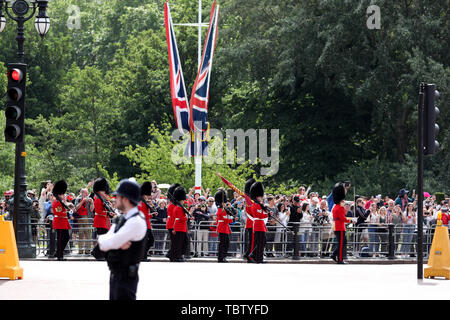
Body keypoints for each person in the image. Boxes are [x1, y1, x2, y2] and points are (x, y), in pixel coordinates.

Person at [97, 179, 147, 300]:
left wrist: (111, 242)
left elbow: (107, 243)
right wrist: (113, 242)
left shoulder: (135, 221)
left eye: (117, 196)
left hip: (126, 276)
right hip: (117, 272)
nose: (115, 199)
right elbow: (102, 241)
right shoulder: (122, 218)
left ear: (125, 198)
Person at [330, 182, 352, 264]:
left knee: (342, 242)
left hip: (336, 226)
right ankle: (339, 259)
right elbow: (343, 218)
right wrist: (351, 220)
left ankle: (334, 254)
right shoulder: (341, 208)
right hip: (340, 227)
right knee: (342, 243)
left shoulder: (336, 207)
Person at [52, 180, 73, 261]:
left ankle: (58, 252)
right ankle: (59, 255)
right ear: (58, 194)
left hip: (63, 222)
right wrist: (65, 204)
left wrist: (65, 204)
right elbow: (60, 213)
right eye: (62, 194)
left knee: (66, 237)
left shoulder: (61, 202)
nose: (63, 195)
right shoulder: (57, 203)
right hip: (59, 222)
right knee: (61, 239)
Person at [248, 181, 268, 263]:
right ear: (257, 196)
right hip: (258, 225)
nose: (261, 198)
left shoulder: (260, 205)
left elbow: (263, 214)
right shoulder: (255, 205)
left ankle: (253, 255)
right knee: (260, 243)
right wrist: (266, 213)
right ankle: (259, 258)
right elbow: (260, 215)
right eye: (260, 196)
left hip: (261, 225)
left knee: (262, 242)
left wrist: (267, 211)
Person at [215, 189, 234, 262]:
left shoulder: (223, 209)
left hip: (224, 227)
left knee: (225, 243)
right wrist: (233, 219)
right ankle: (221, 257)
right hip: (222, 227)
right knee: (223, 243)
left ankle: (223, 256)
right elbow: (225, 218)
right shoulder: (221, 209)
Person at [138, 181, 155, 261]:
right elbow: (142, 215)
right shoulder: (140, 202)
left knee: (151, 240)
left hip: (147, 225)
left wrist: (152, 206)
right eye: (146, 195)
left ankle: (143, 255)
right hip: (143, 225)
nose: (147, 196)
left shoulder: (146, 202)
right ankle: (142, 256)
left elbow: (149, 212)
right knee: (144, 241)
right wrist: (151, 214)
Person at [172, 186, 189, 262]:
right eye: (182, 200)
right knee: (179, 243)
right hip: (179, 227)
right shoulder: (178, 208)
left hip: (181, 227)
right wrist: (187, 217)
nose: (183, 201)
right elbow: (182, 218)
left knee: (184, 241)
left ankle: (180, 255)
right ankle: (177, 256)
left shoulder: (179, 207)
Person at [74, 188, 93, 255]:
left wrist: (92, 203)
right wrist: (82, 201)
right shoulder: (78, 199)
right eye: (85, 193)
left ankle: (88, 250)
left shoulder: (89, 199)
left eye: (87, 193)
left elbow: (91, 210)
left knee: (88, 234)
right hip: (80, 218)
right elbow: (76, 208)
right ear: (82, 193)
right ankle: (80, 250)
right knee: (81, 234)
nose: (87, 194)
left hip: (87, 217)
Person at [165, 183, 180, 261]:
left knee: (174, 242)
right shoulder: (172, 205)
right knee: (174, 242)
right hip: (172, 224)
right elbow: (174, 216)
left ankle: (172, 255)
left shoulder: (172, 203)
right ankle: (171, 255)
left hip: (171, 223)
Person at [243, 178, 255, 262]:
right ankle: (249, 256)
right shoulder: (249, 200)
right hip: (252, 223)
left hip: (252, 223)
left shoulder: (251, 200)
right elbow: (250, 211)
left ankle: (248, 254)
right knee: (252, 241)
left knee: (252, 241)